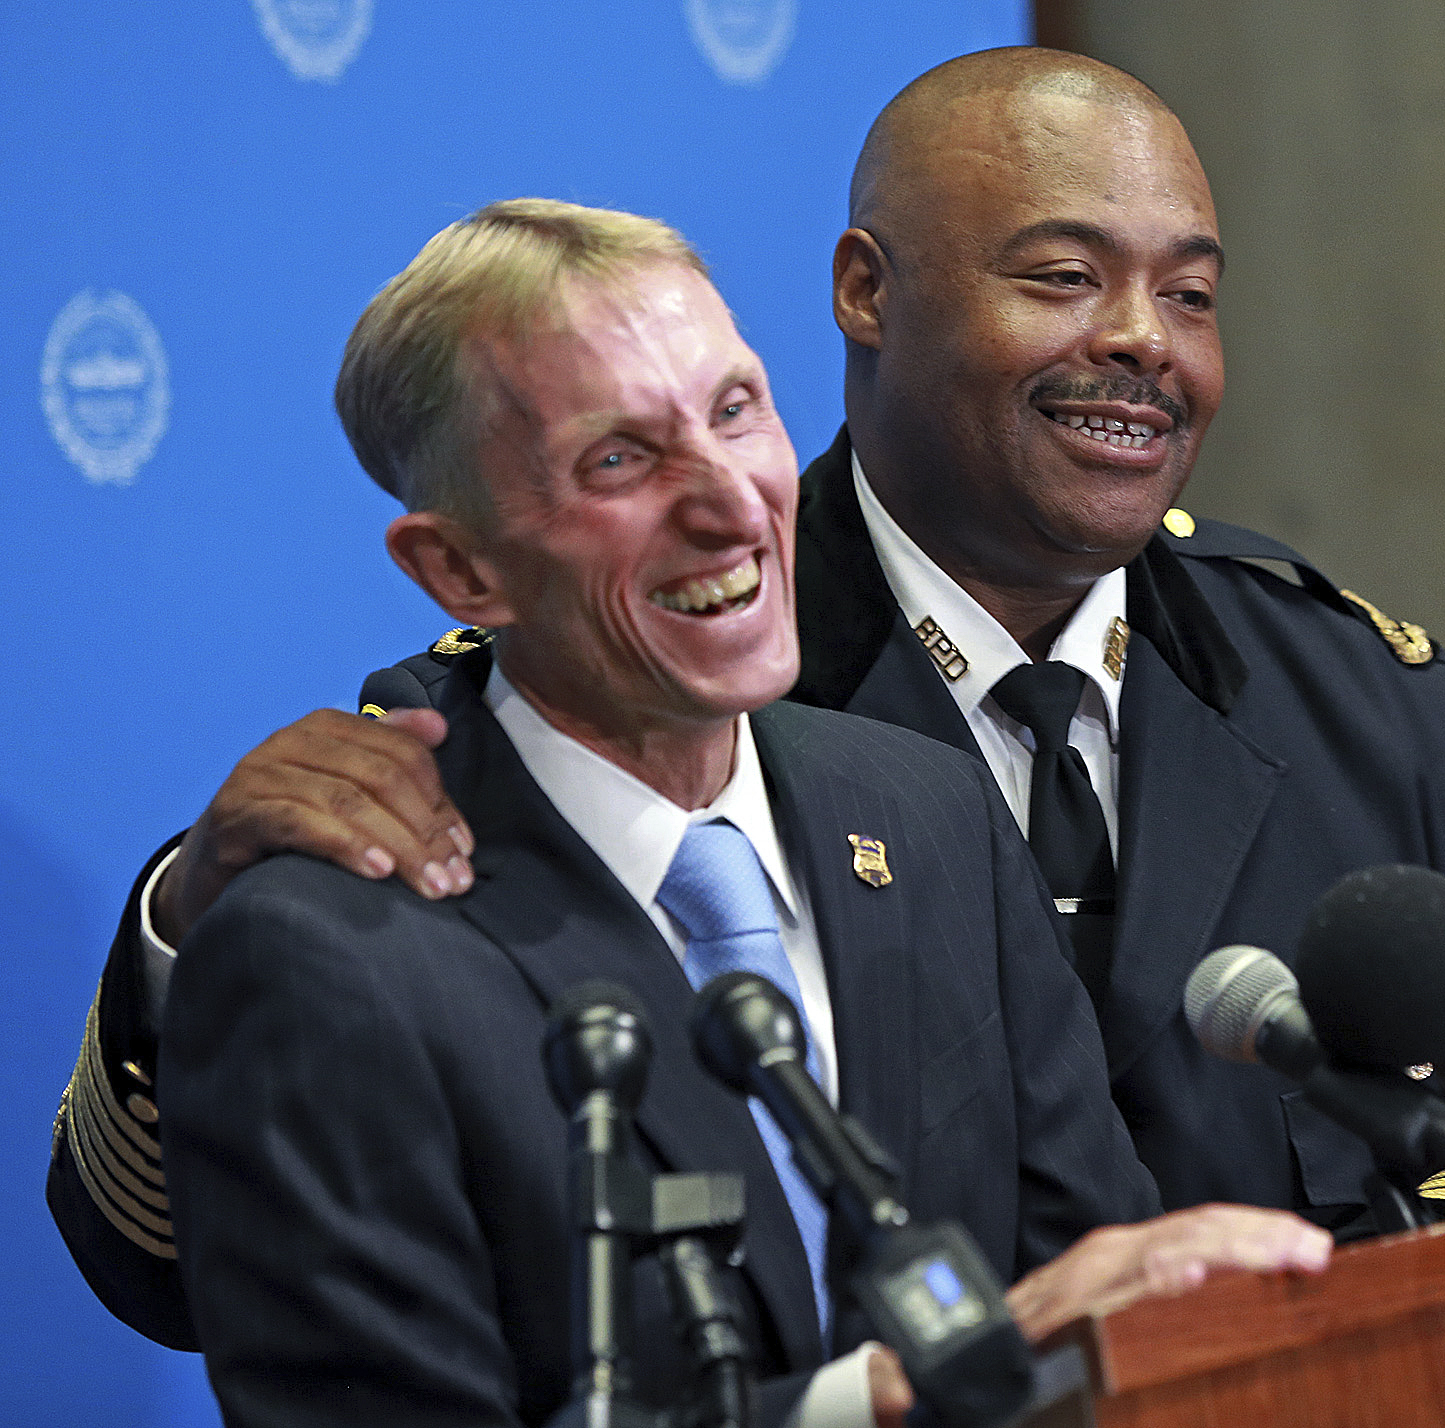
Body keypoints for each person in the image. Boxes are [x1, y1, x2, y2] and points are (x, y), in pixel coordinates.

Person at [51, 47, 1445, 1354]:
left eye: (1191, 296)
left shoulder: (1384, 713)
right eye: (1064, 275)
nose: (1138, 346)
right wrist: (190, 917)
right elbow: (195, 1268)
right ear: (866, 294)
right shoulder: (615, 690)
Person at [120, 199, 1328, 1428]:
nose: (730, 502)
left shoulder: (925, 810)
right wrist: (869, 1406)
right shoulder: (328, 961)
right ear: (460, 572)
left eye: (735, 409)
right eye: (619, 461)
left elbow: (1094, 1290)